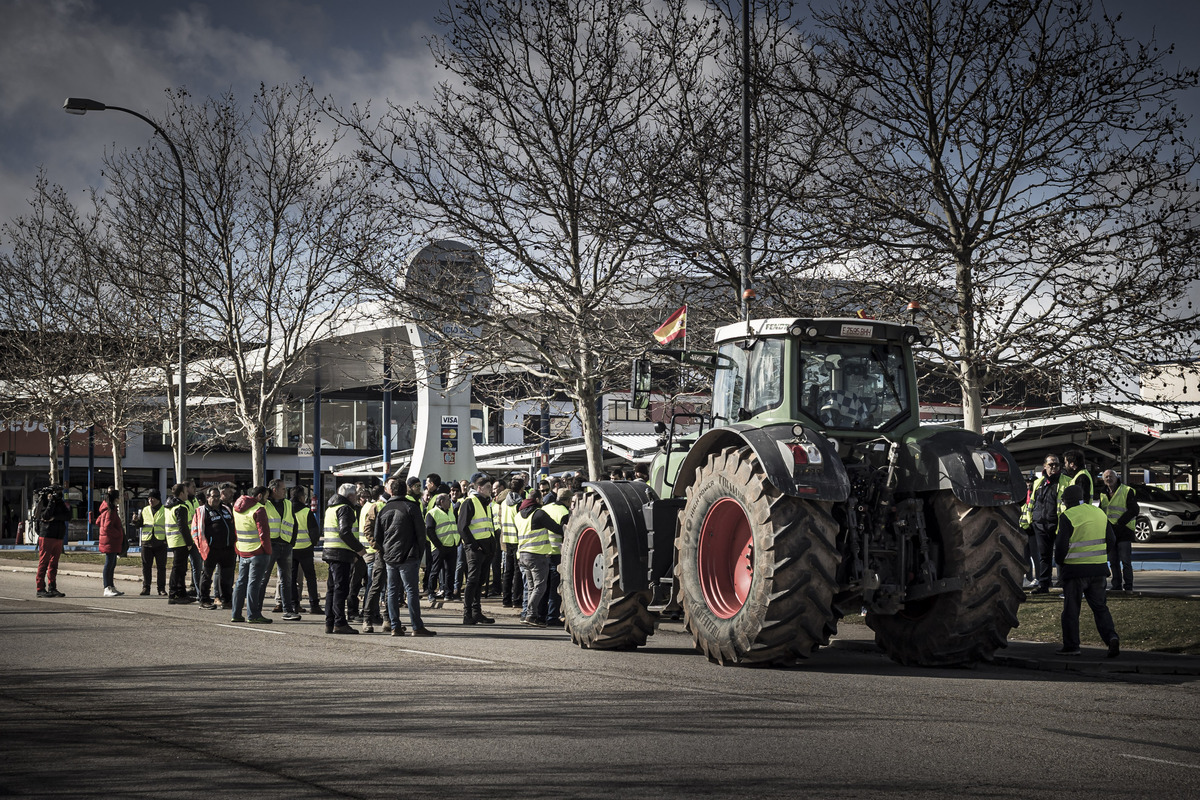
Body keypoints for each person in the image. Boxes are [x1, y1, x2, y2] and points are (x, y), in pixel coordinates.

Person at [1053, 485, 1120, 657]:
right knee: (1100, 608)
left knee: (1071, 610)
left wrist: (1061, 563)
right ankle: (1111, 637)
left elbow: (1060, 546)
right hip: (1098, 569)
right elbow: (1111, 539)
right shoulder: (1098, 512)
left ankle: (1072, 646)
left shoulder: (1067, 516)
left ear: (1067, 501)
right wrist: (1100, 556)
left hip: (1075, 571)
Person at [377, 477, 435, 636]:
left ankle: (395, 626)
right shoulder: (412, 507)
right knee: (411, 591)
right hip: (408, 556)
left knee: (392, 591)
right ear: (405, 490)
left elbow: (377, 537)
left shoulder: (384, 509)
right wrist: (418, 553)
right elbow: (421, 534)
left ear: (391, 491)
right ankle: (416, 626)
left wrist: (385, 552)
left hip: (390, 557)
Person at [1020, 454, 1071, 593]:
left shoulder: (1067, 481)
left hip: (1059, 525)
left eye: (1056, 464)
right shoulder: (1038, 482)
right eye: (1051, 464)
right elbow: (1031, 502)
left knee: (1062, 556)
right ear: (1044, 466)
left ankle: (1065, 584)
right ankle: (1044, 585)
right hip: (1040, 525)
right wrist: (1031, 520)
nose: (1054, 467)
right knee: (1044, 556)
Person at [515, 491, 565, 627]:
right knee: (540, 587)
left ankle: (529, 614)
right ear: (537, 499)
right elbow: (556, 528)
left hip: (522, 554)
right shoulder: (539, 513)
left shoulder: (518, 515)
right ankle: (531, 615)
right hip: (537, 555)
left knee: (531, 587)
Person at [323, 483, 366, 634]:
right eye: (356, 495)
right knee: (341, 589)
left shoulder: (331, 508)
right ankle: (339, 622)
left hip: (331, 551)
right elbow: (345, 532)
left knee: (332, 589)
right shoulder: (346, 508)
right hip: (341, 553)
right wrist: (359, 549)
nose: (357, 498)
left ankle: (330, 621)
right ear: (350, 496)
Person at [457, 474, 498, 624]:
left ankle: (476, 612)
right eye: (487, 488)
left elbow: (487, 526)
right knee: (473, 581)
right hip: (476, 549)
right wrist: (475, 546)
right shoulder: (470, 502)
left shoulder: (485, 503)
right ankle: (467, 614)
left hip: (485, 549)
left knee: (479, 581)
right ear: (479, 488)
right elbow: (462, 528)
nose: (490, 491)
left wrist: (491, 546)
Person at [230, 486, 273, 624]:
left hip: (243, 550)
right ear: (260, 496)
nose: (267, 500)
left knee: (240, 583)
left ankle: (236, 613)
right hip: (257, 551)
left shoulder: (236, 508)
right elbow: (264, 534)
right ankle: (253, 614)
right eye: (266, 497)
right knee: (253, 584)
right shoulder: (259, 509)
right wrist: (268, 551)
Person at [260, 478, 301, 621]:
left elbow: (294, 523)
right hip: (270, 545)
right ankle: (256, 610)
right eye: (283, 489)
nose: (286, 491)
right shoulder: (265, 504)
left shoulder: (288, 503)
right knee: (263, 578)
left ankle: (288, 610)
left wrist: (291, 542)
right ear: (274, 490)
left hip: (286, 545)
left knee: (287, 580)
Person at [194, 486, 235, 610]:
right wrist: (202, 547)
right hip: (211, 549)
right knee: (207, 575)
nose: (216, 499)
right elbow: (196, 531)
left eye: (218, 496)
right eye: (213, 496)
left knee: (226, 576)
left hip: (228, 548)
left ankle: (226, 600)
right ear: (207, 497)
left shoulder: (226, 509)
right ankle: (204, 600)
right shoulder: (201, 511)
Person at [1098, 469, 1139, 592]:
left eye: (1111, 476)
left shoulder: (1127, 491)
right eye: (1106, 477)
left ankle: (1128, 586)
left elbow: (1134, 510)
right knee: (1113, 561)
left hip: (1124, 531)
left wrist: (1120, 523)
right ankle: (1116, 586)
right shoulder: (1102, 493)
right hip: (1110, 531)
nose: (1108, 479)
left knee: (1125, 561)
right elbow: (1102, 510)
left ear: (1117, 478)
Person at [539, 488, 572, 626]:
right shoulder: (565, 512)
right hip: (557, 553)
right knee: (555, 587)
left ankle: (541, 614)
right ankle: (552, 616)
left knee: (543, 586)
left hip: (542, 550)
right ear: (568, 500)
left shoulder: (544, 508)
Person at [359, 484, 388, 632]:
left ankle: (388, 619)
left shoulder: (396, 504)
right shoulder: (377, 506)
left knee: (391, 587)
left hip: (393, 553)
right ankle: (368, 617)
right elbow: (367, 529)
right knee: (375, 585)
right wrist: (377, 546)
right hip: (379, 553)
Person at [425, 485, 459, 607]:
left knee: (450, 570)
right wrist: (439, 545)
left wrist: (457, 541)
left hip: (452, 545)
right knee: (435, 570)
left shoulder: (450, 512)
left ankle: (448, 593)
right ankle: (431, 592)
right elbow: (429, 530)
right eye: (448, 501)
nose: (450, 503)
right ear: (441, 501)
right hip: (439, 547)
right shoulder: (432, 513)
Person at [290, 485, 322, 615]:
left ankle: (294, 605)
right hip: (305, 549)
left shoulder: (287, 509)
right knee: (310, 578)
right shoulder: (306, 511)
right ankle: (314, 605)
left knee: (291, 579)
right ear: (301, 497)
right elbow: (314, 531)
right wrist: (313, 543)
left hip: (290, 549)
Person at [34, 486, 70, 598]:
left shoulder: (60, 502)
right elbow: (45, 515)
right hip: (47, 536)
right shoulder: (44, 502)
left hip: (58, 536)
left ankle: (52, 587)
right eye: (56, 492)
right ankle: (40, 588)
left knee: (54, 564)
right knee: (44, 563)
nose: (58, 494)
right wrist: (51, 502)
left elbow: (68, 516)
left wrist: (55, 518)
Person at [164, 483, 196, 605]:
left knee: (181, 568)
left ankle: (181, 593)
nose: (187, 494)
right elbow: (183, 526)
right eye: (186, 492)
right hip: (180, 541)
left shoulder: (169, 505)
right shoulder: (181, 507)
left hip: (174, 540)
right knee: (178, 568)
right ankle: (174, 594)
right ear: (181, 493)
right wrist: (189, 542)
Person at [499, 474, 526, 607]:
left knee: (507, 571)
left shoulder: (504, 503)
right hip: (517, 540)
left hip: (506, 539)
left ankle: (506, 600)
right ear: (521, 489)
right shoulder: (519, 504)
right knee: (517, 571)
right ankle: (516, 600)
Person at [136, 489, 168, 596]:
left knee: (161, 567)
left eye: (152, 498)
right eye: (149, 498)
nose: (150, 500)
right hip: (147, 542)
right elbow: (139, 524)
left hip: (160, 542)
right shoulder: (145, 510)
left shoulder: (165, 510)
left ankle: (161, 588)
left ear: (158, 499)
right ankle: (146, 587)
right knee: (146, 566)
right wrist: (135, 521)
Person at [97, 488, 126, 597]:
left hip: (111, 542)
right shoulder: (110, 511)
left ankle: (111, 586)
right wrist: (119, 533)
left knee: (112, 564)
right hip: (110, 541)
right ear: (116, 499)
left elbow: (98, 522)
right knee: (109, 564)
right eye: (119, 497)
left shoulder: (110, 510)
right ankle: (107, 587)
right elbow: (107, 527)